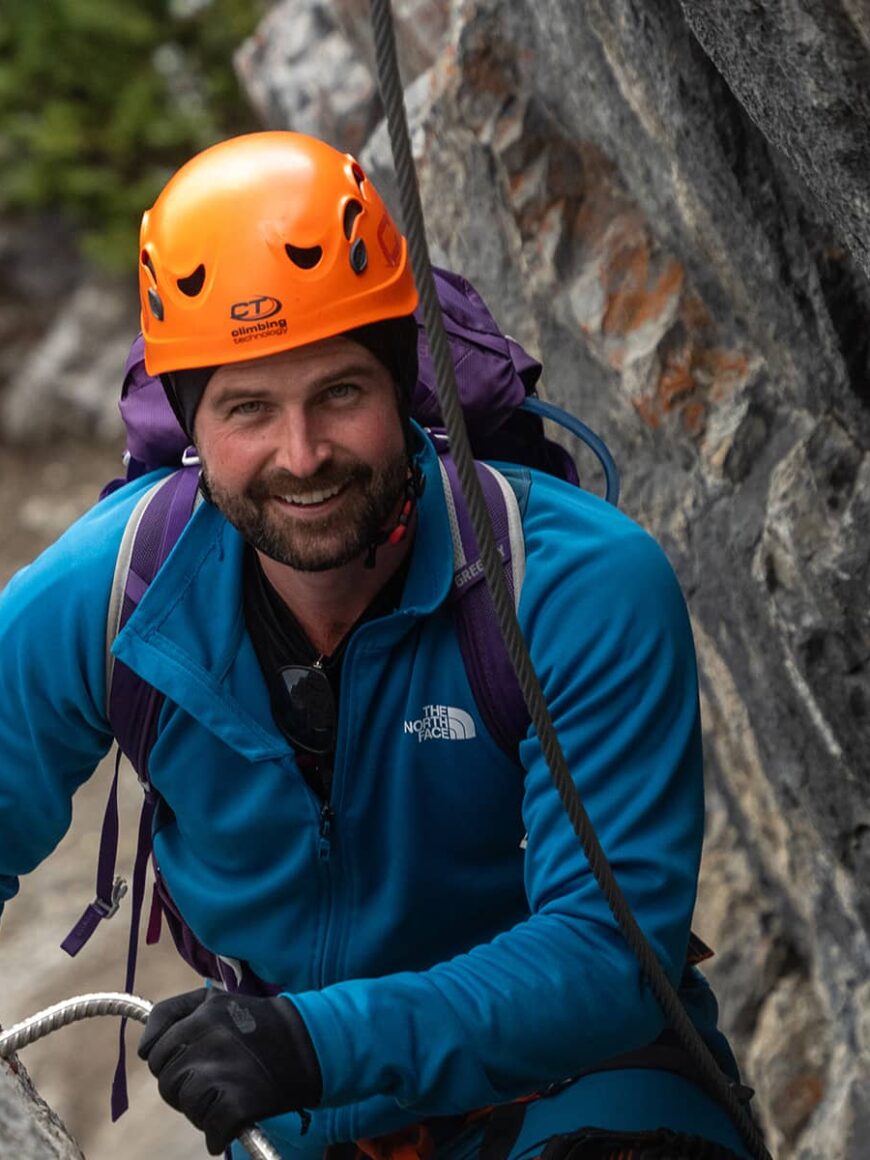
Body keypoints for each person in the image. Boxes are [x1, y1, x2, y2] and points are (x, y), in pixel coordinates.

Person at [0, 132, 751, 1160]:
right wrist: (299, 1056)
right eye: (248, 409)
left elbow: (612, 955)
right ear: (190, 424)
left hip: (582, 1086)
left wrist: (314, 1041)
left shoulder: (568, 586)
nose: (301, 455)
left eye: (339, 394)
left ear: (405, 384)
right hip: (305, 1113)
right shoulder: (113, 590)